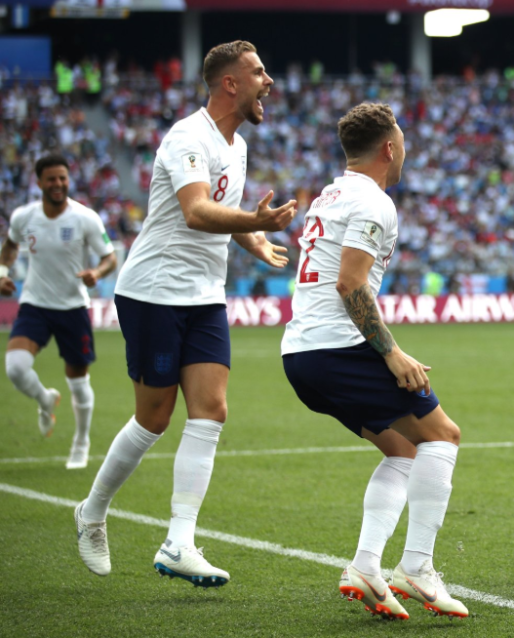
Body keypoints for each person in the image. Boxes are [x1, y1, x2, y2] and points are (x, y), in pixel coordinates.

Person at [73, 41, 296, 585]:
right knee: (154, 417)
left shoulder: (237, 146)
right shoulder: (187, 137)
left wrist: (254, 241)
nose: (269, 82)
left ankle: (179, 542)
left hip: (204, 295)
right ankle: (92, 512)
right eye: (259, 73)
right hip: (154, 291)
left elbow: (222, 213)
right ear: (230, 83)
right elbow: (196, 211)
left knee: (211, 410)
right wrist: (256, 223)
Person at [282, 103, 467, 620]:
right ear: (389, 148)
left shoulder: (330, 194)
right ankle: (417, 566)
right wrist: (391, 352)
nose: (405, 150)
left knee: (403, 449)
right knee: (443, 436)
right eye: (402, 141)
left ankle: (366, 566)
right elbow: (350, 283)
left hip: (302, 354)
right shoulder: (373, 201)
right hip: (339, 348)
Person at [2, 155, 117, 469]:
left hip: (72, 308)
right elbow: (10, 246)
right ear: (39, 182)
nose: (58, 184)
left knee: (78, 382)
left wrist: (97, 273)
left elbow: (109, 257)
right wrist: (2, 272)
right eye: (51, 179)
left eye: (63, 178)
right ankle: (44, 399)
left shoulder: (85, 218)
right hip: (35, 304)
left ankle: (81, 442)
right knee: (15, 368)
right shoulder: (24, 216)